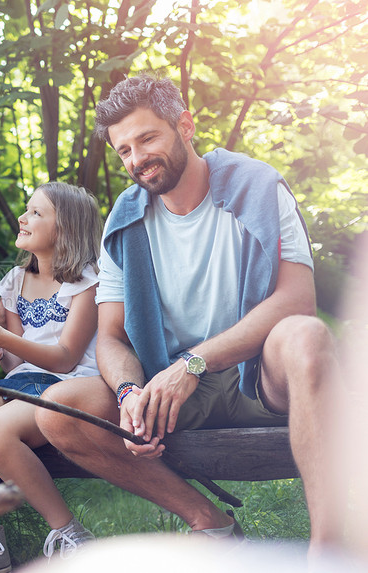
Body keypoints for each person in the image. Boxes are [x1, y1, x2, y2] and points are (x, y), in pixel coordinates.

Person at [35, 75, 339, 549]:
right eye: (124, 151)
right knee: (57, 411)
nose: (137, 160)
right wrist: (130, 392)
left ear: (185, 125)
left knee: (305, 335)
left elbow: (297, 299)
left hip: (257, 373)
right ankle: (210, 522)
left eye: (147, 138)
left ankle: (329, 550)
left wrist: (193, 364)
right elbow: (111, 336)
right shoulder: (125, 219)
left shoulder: (257, 186)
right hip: (172, 393)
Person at [0, 182, 102, 572]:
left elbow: (65, 358)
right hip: (26, 382)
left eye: (36, 212)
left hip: (70, 387)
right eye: (27, 210)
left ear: (64, 229)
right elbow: (17, 365)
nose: (22, 217)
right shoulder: (14, 281)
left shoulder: (87, 281)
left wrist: (6, 339)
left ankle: (71, 535)